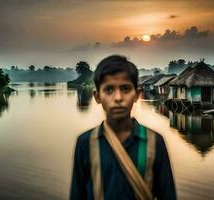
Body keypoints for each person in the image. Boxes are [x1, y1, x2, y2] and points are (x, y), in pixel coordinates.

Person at [70, 55, 176, 200]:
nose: (118, 97)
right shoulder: (86, 143)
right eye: (109, 90)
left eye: (125, 89)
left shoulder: (155, 142)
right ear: (97, 96)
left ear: (137, 95)